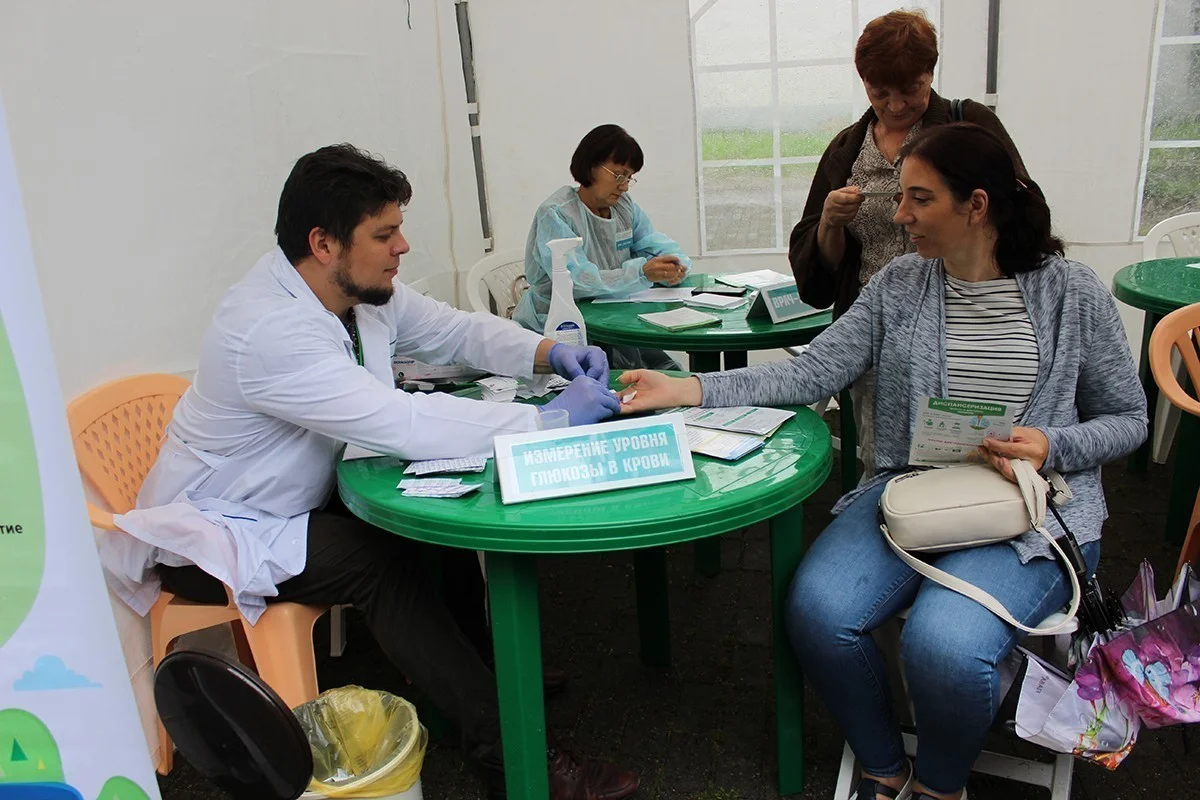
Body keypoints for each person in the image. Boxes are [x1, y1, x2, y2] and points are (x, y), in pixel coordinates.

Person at [618, 123, 1147, 800]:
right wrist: (687, 388)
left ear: (976, 206)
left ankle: (940, 786)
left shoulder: (1071, 292)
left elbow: (1129, 420)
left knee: (944, 645)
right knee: (816, 613)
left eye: (919, 199)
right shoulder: (900, 284)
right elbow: (812, 372)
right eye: (901, 196)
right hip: (912, 492)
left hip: (1030, 509)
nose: (899, 215)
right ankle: (882, 764)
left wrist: (1052, 444)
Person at [101, 144, 638, 800]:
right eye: (385, 234)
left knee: (435, 517)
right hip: (216, 529)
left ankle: (488, 682)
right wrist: (547, 422)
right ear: (323, 243)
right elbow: (400, 423)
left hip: (290, 498)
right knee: (378, 560)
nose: (402, 246)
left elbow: (455, 331)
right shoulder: (268, 330)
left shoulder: (357, 292)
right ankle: (514, 753)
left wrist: (551, 352)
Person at [789, 9, 1028, 473]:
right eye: (880, 93)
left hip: (965, 323)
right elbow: (820, 273)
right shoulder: (847, 149)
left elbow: (1017, 206)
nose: (896, 106)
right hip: (882, 331)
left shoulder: (966, 126)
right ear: (863, 82)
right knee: (889, 458)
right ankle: (894, 504)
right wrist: (829, 224)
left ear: (931, 74)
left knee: (975, 449)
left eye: (910, 90)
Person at [513, 123, 691, 371]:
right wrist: (641, 273)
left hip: (613, 321)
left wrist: (674, 267)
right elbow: (578, 281)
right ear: (590, 166)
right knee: (608, 381)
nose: (624, 186)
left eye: (629, 178)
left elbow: (655, 244)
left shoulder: (623, 206)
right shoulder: (556, 214)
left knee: (671, 373)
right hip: (560, 329)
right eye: (618, 175)